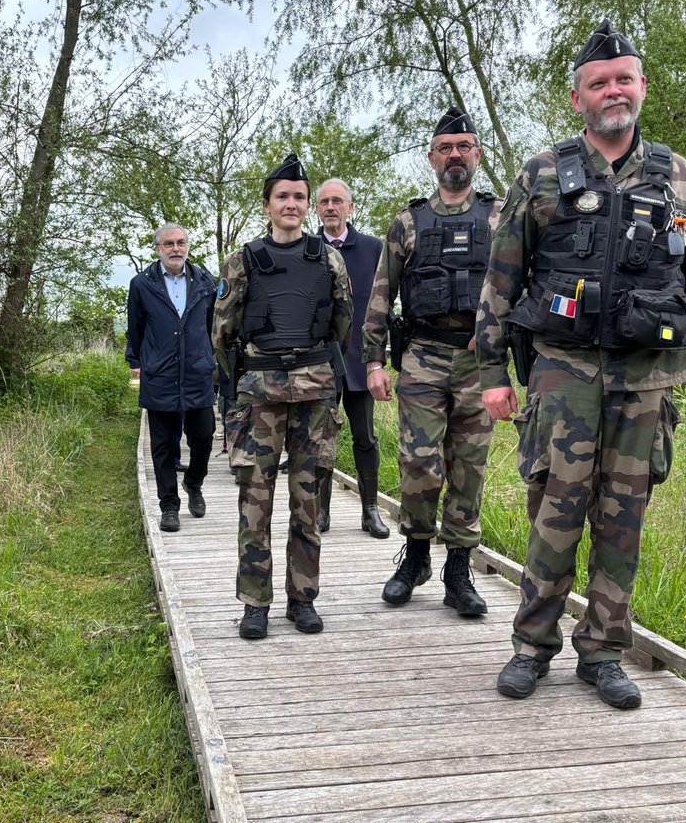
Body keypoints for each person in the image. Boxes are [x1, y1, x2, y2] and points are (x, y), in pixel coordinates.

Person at [477, 19, 686, 709]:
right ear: (578, 99)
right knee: (553, 515)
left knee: (623, 522)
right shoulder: (539, 174)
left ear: (642, 87)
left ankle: (602, 652)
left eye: (624, 78)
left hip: (649, 378)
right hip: (563, 373)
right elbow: (501, 279)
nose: (613, 91)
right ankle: (532, 647)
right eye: (599, 83)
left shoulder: (678, 177)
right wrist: (489, 374)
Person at [362, 106, 499, 617]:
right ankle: (416, 553)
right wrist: (374, 360)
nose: (455, 154)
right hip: (421, 356)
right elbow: (381, 293)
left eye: (464, 145)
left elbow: (520, 285)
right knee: (420, 463)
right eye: (446, 147)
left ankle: (458, 570)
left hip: (479, 362)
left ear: (477, 155)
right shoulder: (408, 222)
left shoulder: (500, 216)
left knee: (470, 466)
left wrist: (496, 337)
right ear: (431, 159)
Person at [213, 153, 353, 640]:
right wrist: (242, 385)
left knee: (307, 501)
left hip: (314, 395)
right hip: (260, 397)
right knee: (255, 502)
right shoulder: (242, 260)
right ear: (268, 203)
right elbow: (223, 331)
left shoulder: (328, 258)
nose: (291, 204)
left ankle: (303, 599)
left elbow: (342, 323)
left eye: (299, 197)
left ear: (308, 203)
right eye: (282, 197)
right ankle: (255, 603)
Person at [126, 224, 217, 532]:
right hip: (161, 374)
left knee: (204, 436)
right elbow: (136, 326)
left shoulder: (206, 282)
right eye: (169, 244)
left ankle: (194, 482)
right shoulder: (142, 284)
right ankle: (169, 506)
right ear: (158, 249)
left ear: (187, 245)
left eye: (180, 242)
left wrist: (212, 360)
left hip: (197, 373)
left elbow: (212, 326)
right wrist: (136, 360)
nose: (176, 248)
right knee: (163, 445)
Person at [314, 178, 389, 539]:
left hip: (360, 362)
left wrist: (379, 356)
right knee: (320, 439)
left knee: (365, 437)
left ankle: (370, 510)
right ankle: (321, 509)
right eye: (324, 202)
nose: (331, 207)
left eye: (337, 201)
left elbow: (384, 305)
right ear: (317, 209)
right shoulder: (304, 248)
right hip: (318, 365)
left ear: (350, 207)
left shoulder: (374, 249)